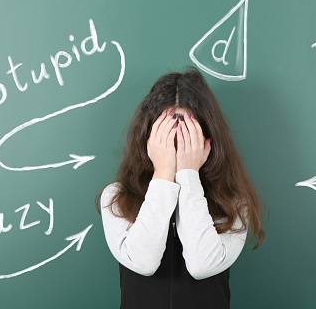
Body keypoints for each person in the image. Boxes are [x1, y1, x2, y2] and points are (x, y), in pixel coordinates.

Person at [96, 67, 267, 309]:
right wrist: (163, 174)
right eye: (166, 136)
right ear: (148, 139)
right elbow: (143, 262)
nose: (176, 146)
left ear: (207, 140)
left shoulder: (234, 202)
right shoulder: (116, 197)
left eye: (188, 137)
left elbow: (202, 266)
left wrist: (188, 175)